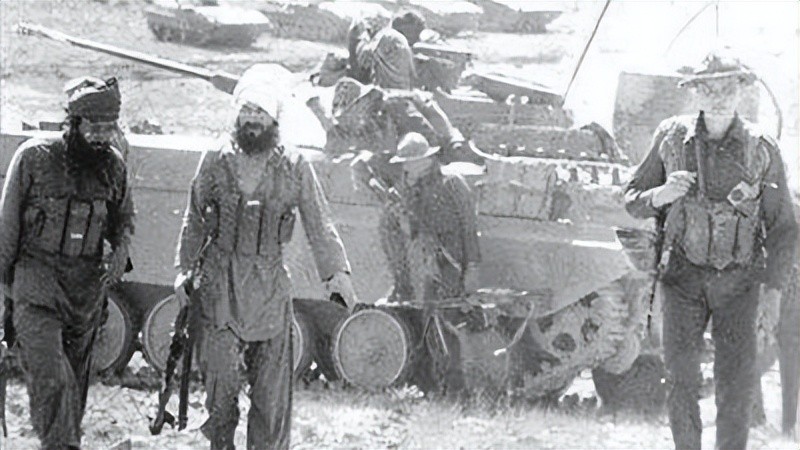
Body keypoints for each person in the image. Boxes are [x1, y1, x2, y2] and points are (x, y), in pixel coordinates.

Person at [624, 51, 798, 450]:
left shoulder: (761, 148)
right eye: (709, 90)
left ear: (740, 91)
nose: (718, 99)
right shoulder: (671, 138)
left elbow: (784, 229)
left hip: (740, 286)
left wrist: (772, 294)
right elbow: (632, 198)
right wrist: (661, 194)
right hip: (682, 281)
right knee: (681, 381)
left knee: (735, 386)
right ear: (695, 93)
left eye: (727, 89)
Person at [175, 83, 357, 450]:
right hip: (221, 285)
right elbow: (193, 217)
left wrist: (337, 274)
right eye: (246, 111)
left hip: (270, 288)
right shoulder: (216, 158)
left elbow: (318, 220)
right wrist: (183, 269)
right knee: (220, 391)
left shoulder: (293, 165)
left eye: (260, 113)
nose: (252, 119)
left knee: (271, 398)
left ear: (274, 119)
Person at [0, 77, 134, 449]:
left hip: (85, 296)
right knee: (52, 379)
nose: (101, 136)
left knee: (74, 390)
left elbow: (123, 216)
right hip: (37, 285)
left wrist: (121, 249)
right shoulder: (33, 157)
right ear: (74, 122)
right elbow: (7, 227)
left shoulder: (114, 166)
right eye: (94, 127)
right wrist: (5, 290)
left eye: (108, 128)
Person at [63, 76, 131, 161]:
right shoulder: (53, 155)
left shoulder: (115, 155)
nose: (102, 137)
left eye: (108, 129)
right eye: (96, 129)